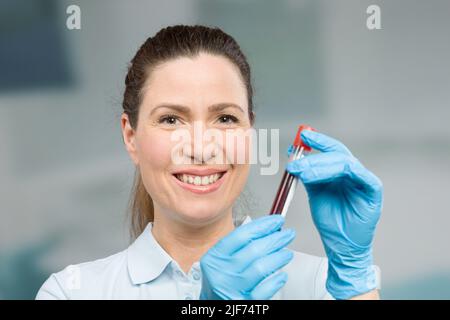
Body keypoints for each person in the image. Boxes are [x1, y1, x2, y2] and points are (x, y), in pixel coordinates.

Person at [36, 25, 382, 300]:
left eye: (226, 119)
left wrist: (353, 279)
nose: (201, 148)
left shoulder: (321, 287)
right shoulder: (71, 292)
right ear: (131, 136)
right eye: (171, 120)